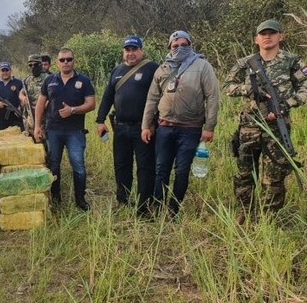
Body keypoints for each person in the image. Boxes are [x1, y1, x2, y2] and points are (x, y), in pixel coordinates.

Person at [224, 19, 307, 224]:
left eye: (272, 33)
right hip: (250, 125)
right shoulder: (246, 62)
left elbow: (305, 87)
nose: (267, 37)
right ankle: (245, 211)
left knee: (274, 175)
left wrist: (287, 104)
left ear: (281, 36)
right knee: (244, 171)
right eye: (263, 34)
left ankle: (268, 218)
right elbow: (228, 86)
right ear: (256, 39)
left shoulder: (292, 61)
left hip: (278, 126)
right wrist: (247, 89)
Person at [141, 30, 219, 217]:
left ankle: (173, 210)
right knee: (161, 169)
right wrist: (146, 125)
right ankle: (158, 208)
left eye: (184, 45)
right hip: (164, 128)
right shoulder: (162, 69)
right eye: (175, 46)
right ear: (169, 47)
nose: (180, 48)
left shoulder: (202, 66)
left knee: (182, 171)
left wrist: (209, 127)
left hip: (190, 129)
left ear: (190, 45)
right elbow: (152, 99)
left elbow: (212, 97)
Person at [96, 36, 159, 216]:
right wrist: (100, 121)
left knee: (145, 167)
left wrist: (153, 123)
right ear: (123, 52)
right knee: (121, 165)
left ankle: (144, 204)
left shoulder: (152, 69)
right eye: (127, 50)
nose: (131, 53)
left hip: (143, 128)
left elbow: (159, 98)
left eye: (134, 49)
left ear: (141, 50)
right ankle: (123, 200)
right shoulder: (117, 70)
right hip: (120, 127)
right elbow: (108, 96)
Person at [34, 48, 96, 211]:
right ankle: (55, 200)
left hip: (74, 131)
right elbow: (40, 104)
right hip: (53, 130)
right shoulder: (50, 81)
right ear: (57, 63)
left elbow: (91, 104)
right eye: (62, 60)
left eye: (69, 59)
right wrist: (37, 126)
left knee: (78, 165)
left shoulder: (83, 80)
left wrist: (73, 110)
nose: (66, 62)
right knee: (54, 166)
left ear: (74, 61)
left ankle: (80, 200)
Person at [20, 54, 49, 136]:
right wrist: (23, 97)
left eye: (36, 65)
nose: (33, 67)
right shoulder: (27, 80)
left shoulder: (48, 78)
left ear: (40, 64)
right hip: (30, 118)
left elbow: (53, 96)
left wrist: (45, 104)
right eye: (30, 65)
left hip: (45, 118)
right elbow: (21, 92)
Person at [0, 62, 24, 131]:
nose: (5, 72)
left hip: (16, 117)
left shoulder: (18, 82)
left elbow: (23, 97)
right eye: (3, 70)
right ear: (0, 72)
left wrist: (20, 108)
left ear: (10, 71)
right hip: (1, 119)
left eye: (7, 70)